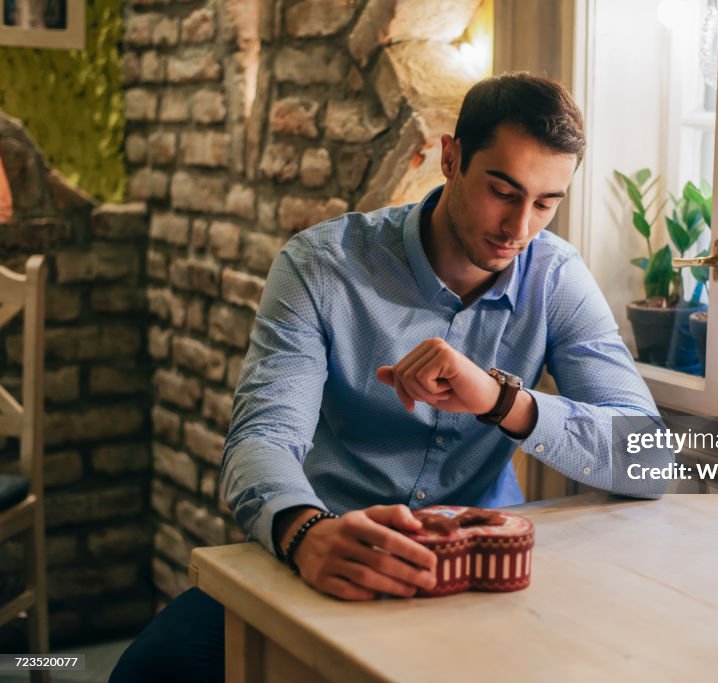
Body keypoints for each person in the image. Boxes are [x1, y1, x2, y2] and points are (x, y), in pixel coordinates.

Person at [110, 72, 664, 682]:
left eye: (546, 203)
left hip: (478, 574)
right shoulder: (322, 266)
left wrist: (499, 399)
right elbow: (261, 439)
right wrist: (305, 533)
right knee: (151, 670)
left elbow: (654, 459)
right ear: (451, 158)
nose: (520, 228)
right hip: (326, 548)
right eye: (503, 191)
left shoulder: (556, 277)